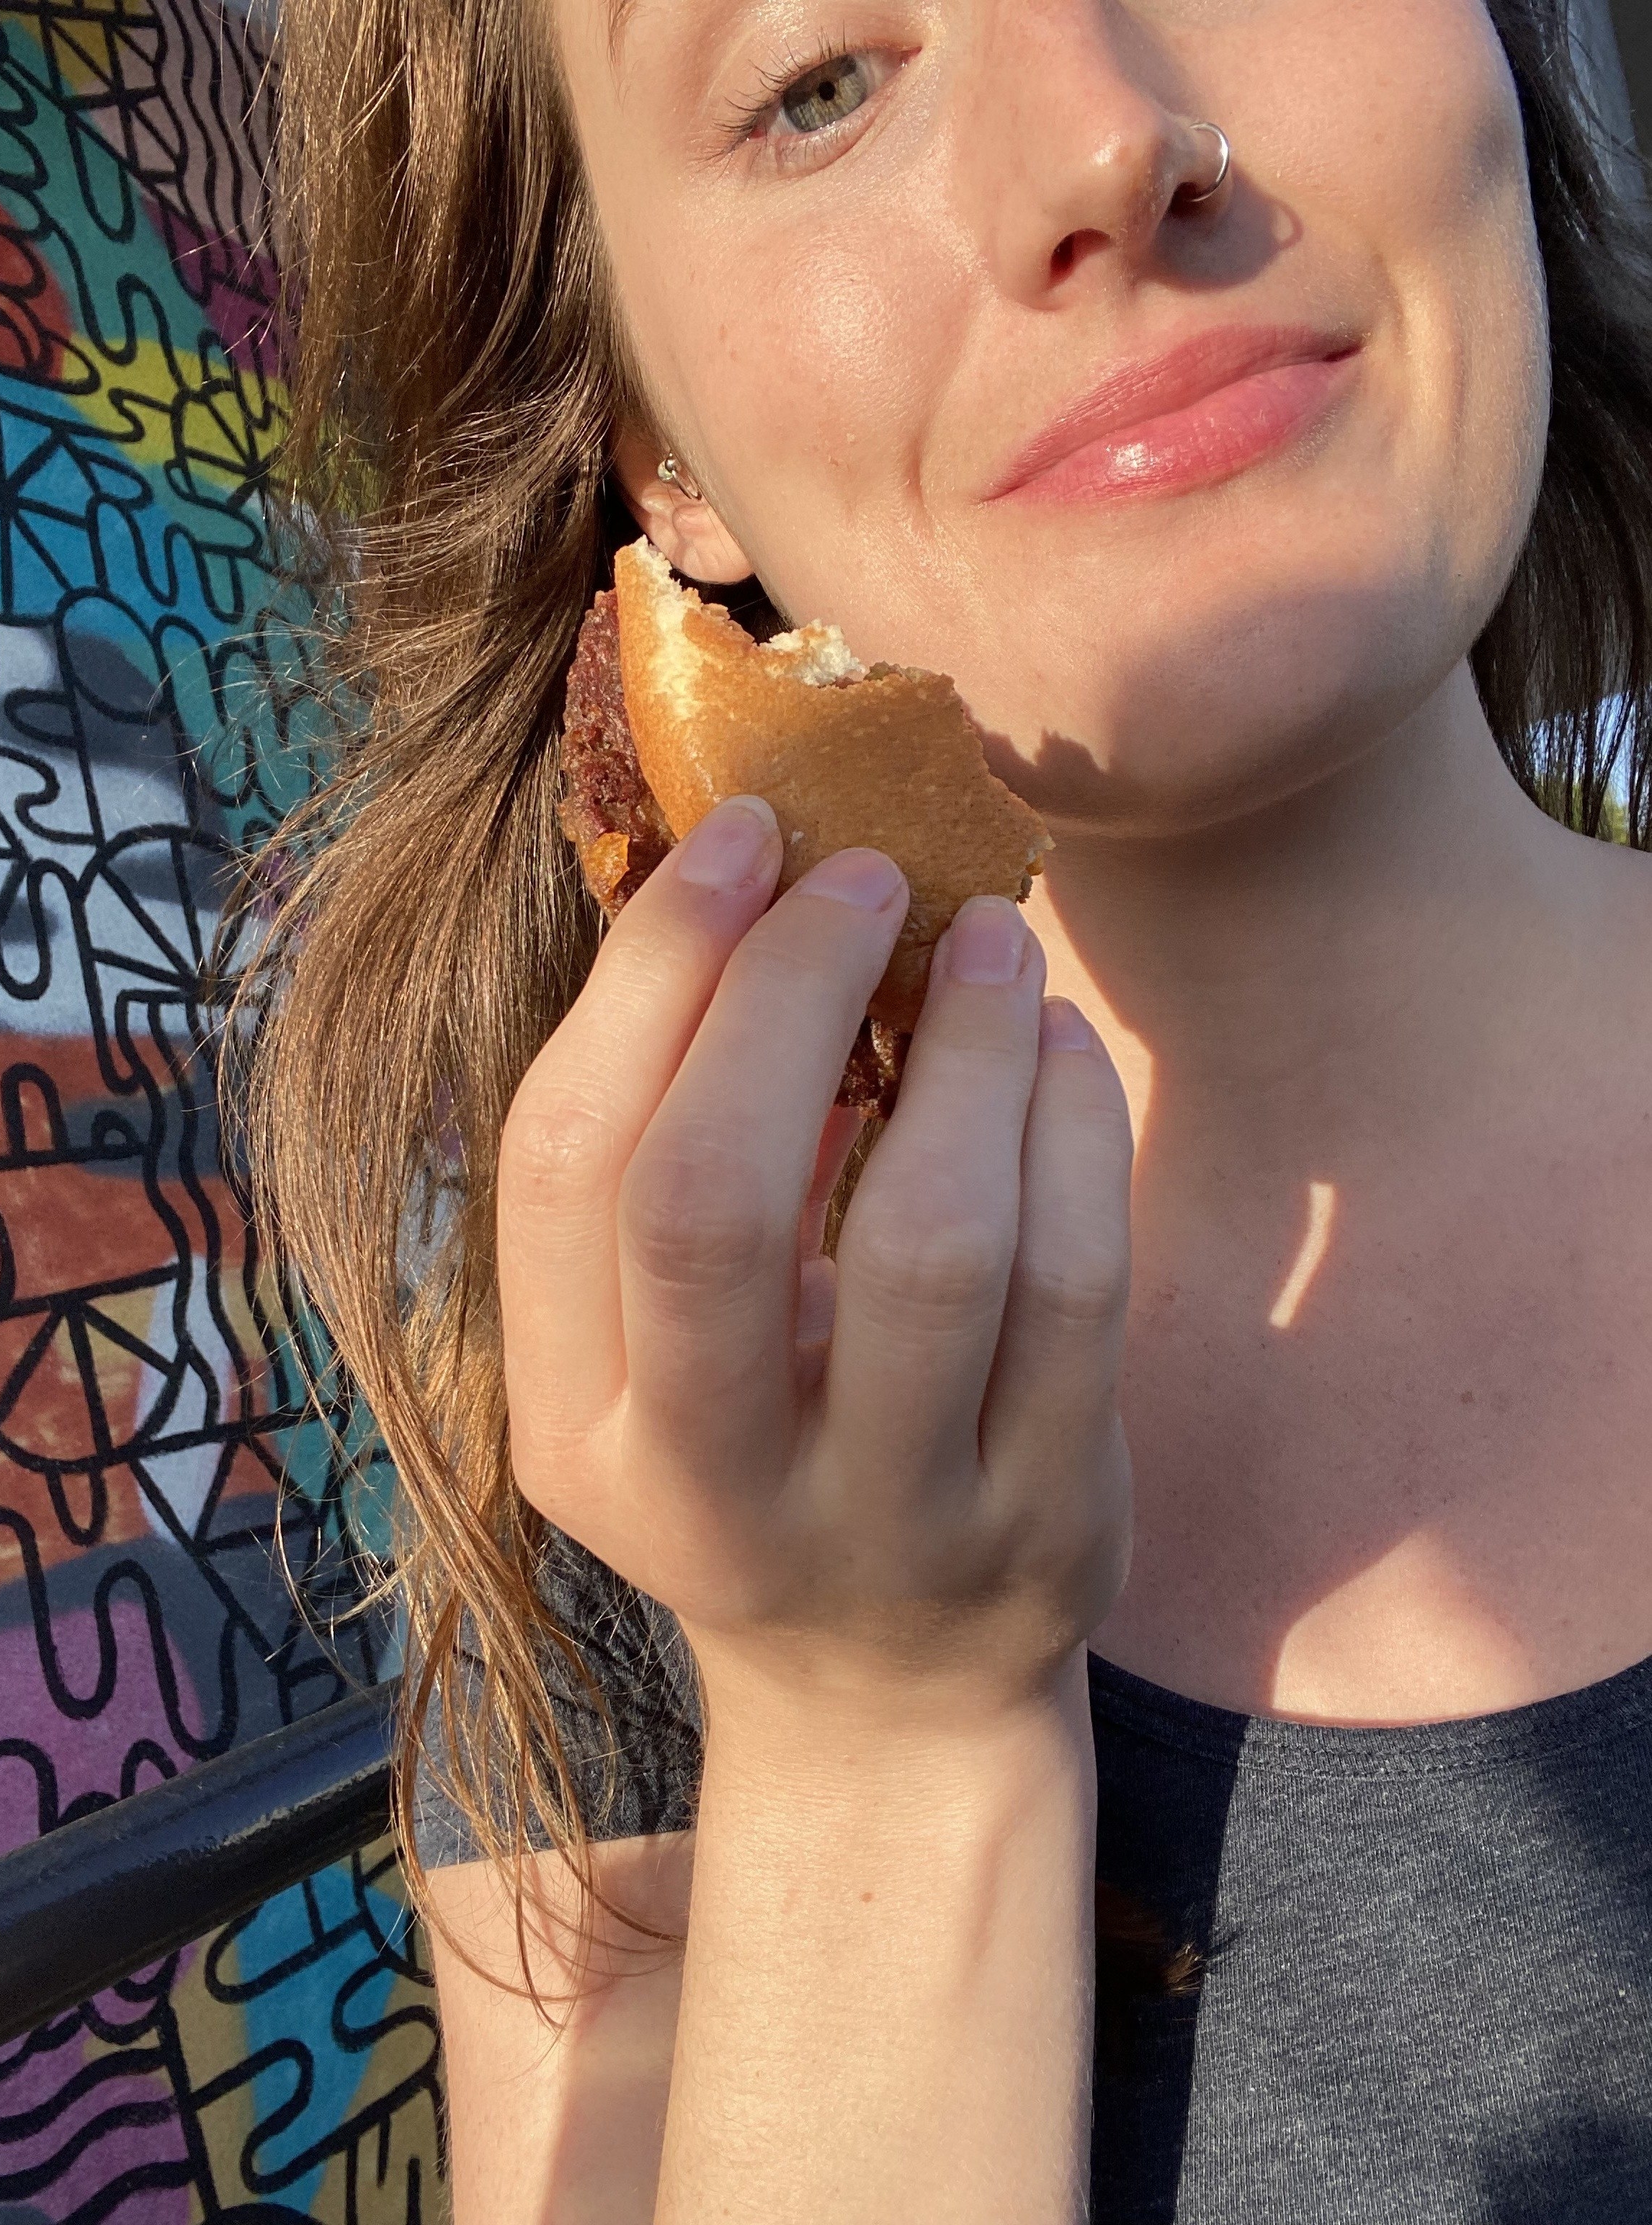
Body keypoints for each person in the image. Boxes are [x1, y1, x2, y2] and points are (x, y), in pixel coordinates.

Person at [242, 0, 1652, 2214]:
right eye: (816, 81)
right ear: (656, 454)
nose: (1106, 146)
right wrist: (878, 1735)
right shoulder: (646, 1436)